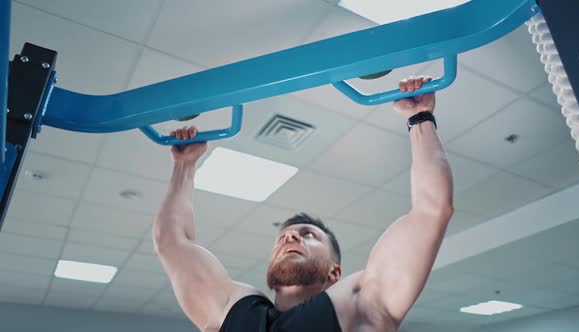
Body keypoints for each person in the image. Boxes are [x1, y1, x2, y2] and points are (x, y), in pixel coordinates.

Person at [152, 76, 454, 332]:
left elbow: (432, 210)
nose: (290, 236)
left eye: (308, 234)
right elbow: (172, 243)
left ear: (334, 273)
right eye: (282, 237)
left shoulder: (358, 305)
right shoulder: (233, 309)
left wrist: (420, 118)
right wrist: (184, 166)